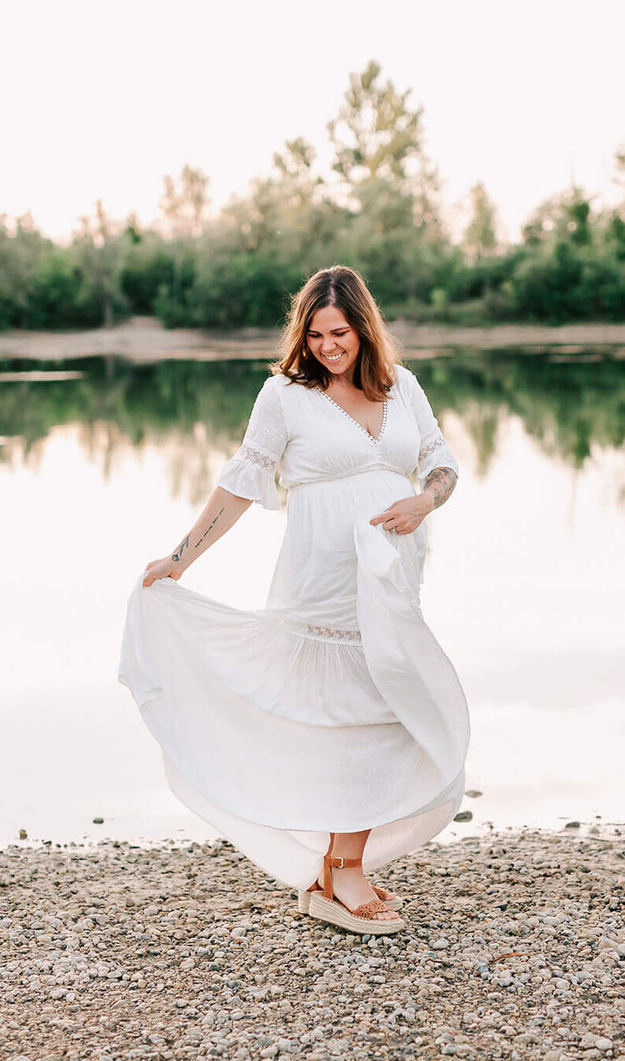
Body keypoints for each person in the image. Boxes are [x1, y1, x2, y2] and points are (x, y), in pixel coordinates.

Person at [118, 265, 468, 935]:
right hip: (322, 581)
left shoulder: (402, 388)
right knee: (338, 715)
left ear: (364, 329)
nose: (328, 346)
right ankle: (340, 872)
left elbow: (440, 461)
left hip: (391, 576)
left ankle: (340, 865)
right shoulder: (285, 394)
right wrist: (181, 558)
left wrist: (426, 499)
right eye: (315, 334)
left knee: (387, 709)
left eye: (340, 333)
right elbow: (242, 482)